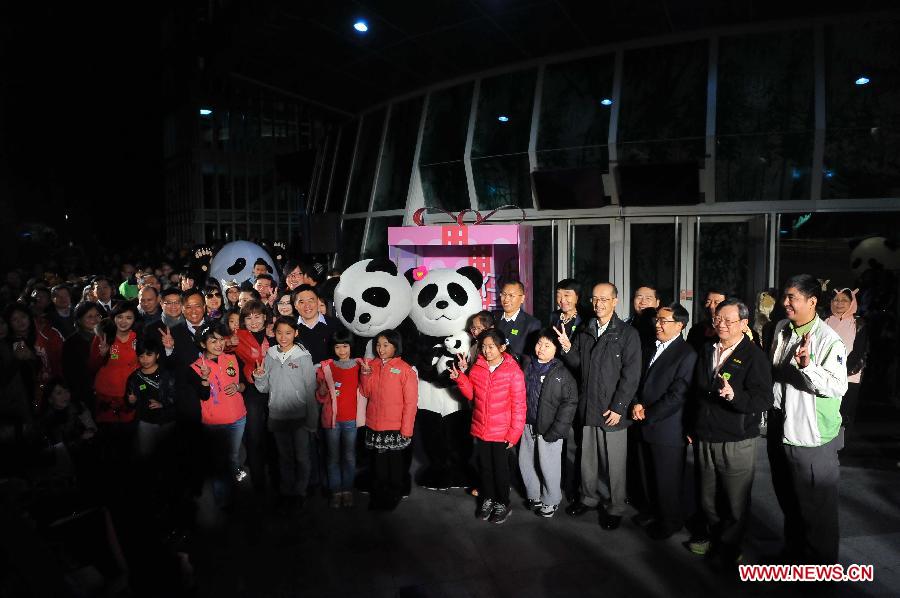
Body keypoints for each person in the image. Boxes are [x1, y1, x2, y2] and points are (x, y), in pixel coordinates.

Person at [768, 274, 847, 564]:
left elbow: (837, 387)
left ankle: (820, 571)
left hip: (811, 436)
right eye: (785, 296)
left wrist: (808, 366)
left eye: (793, 298)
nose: (785, 302)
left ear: (812, 301)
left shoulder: (829, 340)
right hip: (779, 425)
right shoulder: (781, 328)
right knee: (789, 500)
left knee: (817, 510)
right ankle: (794, 556)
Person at [687, 299, 773, 565]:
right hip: (705, 436)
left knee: (735, 501)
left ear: (744, 323)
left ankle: (730, 547)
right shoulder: (707, 349)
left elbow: (764, 399)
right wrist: (691, 425)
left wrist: (735, 396)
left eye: (728, 320)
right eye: (717, 319)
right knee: (707, 496)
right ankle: (713, 535)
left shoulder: (754, 355)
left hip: (737, 439)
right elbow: (695, 393)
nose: (721, 324)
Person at [557, 282, 641, 530]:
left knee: (615, 464)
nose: (598, 304)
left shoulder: (627, 334)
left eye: (604, 299)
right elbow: (578, 365)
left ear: (615, 301)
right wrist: (567, 347)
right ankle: (588, 498)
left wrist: (619, 407)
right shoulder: (585, 329)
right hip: (589, 406)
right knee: (588, 460)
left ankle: (616, 507)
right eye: (595, 299)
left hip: (612, 410)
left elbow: (631, 375)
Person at [630, 303, 697, 540]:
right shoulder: (650, 346)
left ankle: (670, 522)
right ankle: (651, 511)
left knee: (666, 480)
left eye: (663, 321)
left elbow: (677, 395)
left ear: (680, 325)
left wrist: (648, 413)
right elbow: (638, 380)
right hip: (643, 421)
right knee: (647, 474)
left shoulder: (687, 354)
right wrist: (636, 403)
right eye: (656, 319)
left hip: (667, 428)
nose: (658, 324)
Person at [450, 329, 526, 524]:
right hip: (482, 428)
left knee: (500, 469)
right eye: (483, 346)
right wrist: (460, 378)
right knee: (484, 467)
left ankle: (503, 502)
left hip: (502, 432)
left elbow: (519, 405)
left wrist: (514, 433)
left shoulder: (513, 371)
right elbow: (471, 395)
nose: (487, 350)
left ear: (502, 347)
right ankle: (489, 498)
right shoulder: (477, 367)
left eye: (491, 347)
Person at [252, 317, 317, 508]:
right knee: (284, 457)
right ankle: (287, 492)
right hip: (277, 416)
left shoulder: (303, 357)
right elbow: (264, 388)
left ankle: (300, 492)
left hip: (300, 418)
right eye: (279, 332)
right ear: (274, 333)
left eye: (288, 333)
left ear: (296, 333)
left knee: (302, 457)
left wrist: (312, 421)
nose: (283, 337)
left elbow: (310, 390)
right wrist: (260, 377)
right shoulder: (270, 354)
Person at [519, 329, 578, 518]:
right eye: (539, 343)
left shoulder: (562, 373)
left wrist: (558, 430)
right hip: (527, 424)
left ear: (556, 349)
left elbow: (569, 403)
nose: (541, 348)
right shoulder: (527, 365)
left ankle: (551, 500)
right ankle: (534, 495)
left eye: (547, 345)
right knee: (526, 461)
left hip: (550, 427)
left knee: (549, 465)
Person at [188, 322, 248, 508]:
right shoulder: (195, 367)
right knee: (218, 463)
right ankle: (223, 502)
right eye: (213, 341)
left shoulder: (232, 358)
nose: (219, 344)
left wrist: (238, 386)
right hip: (214, 424)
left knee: (233, 456)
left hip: (238, 418)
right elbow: (203, 395)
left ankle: (236, 493)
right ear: (203, 344)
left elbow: (244, 384)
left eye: (221, 340)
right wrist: (204, 379)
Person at [359, 329, 418, 511]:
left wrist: (406, 429)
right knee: (378, 465)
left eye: (386, 345)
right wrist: (365, 374)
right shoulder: (372, 365)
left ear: (396, 346)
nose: (381, 349)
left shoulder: (405, 370)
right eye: (378, 345)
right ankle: (379, 495)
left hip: (395, 427)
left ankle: (393, 495)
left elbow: (411, 403)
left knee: (395, 465)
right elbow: (365, 392)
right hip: (374, 424)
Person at [317, 329, 366, 508]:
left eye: (345, 346)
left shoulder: (361, 366)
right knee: (332, 457)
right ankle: (336, 491)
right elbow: (320, 397)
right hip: (331, 421)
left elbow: (367, 389)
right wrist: (321, 392)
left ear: (351, 346)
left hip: (351, 421)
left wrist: (367, 374)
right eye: (337, 347)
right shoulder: (325, 367)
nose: (342, 350)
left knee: (349, 457)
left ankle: (347, 490)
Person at [90, 302, 140, 459]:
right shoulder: (103, 337)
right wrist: (102, 354)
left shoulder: (138, 338)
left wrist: (142, 389)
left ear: (134, 320)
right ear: (113, 318)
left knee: (128, 441)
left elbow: (144, 365)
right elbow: (92, 366)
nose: (123, 321)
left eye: (128, 318)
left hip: (129, 396)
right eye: (120, 317)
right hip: (106, 396)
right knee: (108, 443)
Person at [234, 300, 274, 493]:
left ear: (265, 317)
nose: (254, 321)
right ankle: (259, 483)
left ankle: (278, 479)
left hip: (276, 390)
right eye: (248, 318)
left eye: (257, 316)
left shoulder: (276, 334)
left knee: (275, 436)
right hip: (252, 392)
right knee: (254, 436)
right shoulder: (237, 338)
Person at [125, 336, 176, 462]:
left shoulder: (166, 374)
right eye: (141, 356)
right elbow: (129, 402)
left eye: (149, 355)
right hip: (146, 421)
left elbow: (176, 396)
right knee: (146, 455)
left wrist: (163, 404)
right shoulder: (134, 377)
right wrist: (131, 401)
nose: (145, 359)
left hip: (167, 420)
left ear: (157, 355)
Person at [824, 288, 868, 430]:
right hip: (825, 376)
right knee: (826, 415)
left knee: (844, 417)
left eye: (844, 300)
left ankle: (843, 443)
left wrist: (843, 372)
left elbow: (859, 351)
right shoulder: (825, 321)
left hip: (849, 377)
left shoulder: (858, 323)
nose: (839, 303)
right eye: (836, 300)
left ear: (852, 302)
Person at [62, 301, 103, 411]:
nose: (95, 319)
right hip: (86, 396)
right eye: (89, 316)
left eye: (97, 315)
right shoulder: (71, 344)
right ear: (79, 320)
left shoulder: (106, 337)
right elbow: (70, 376)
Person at [294, 284, 343, 365]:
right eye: (301, 302)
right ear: (295, 305)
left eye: (310, 300)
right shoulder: (290, 327)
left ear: (317, 301)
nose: (307, 305)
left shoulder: (336, 325)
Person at [493, 281, 541, 359]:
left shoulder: (531, 324)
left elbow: (531, 357)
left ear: (522, 298)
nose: (506, 299)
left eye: (511, 295)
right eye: (504, 294)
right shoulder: (493, 318)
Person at [687, 289, 728, 354]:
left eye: (716, 303)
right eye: (708, 302)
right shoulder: (696, 329)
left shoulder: (733, 329)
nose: (711, 306)